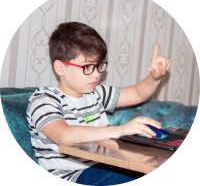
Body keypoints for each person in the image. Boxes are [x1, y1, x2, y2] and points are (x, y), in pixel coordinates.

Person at [26, 22, 171, 185]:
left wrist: (155, 78)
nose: (96, 75)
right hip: (71, 175)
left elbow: (137, 93)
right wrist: (120, 130)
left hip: (102, 165)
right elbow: (63, 135)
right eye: (87, 67)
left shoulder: (95, 93)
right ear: (60, 67)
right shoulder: (43, 99)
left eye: (99, 66)